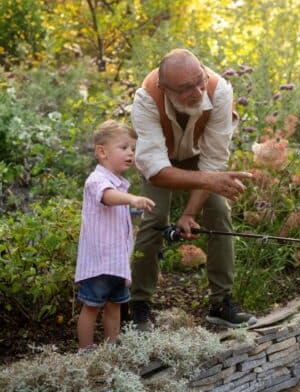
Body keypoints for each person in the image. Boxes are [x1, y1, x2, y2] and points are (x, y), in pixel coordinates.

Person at [129, 48, 256, 329]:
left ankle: (220, 303)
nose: (198, 91)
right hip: (161, 162)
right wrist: (208, 180)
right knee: (153, 216)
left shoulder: (219, 91)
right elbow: (156, 169)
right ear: (165, 89)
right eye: (185, 88)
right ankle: (138, 304)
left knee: (220, 212)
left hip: (199, 158)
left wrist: (189, 214)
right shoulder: (146, 98)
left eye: (200, 80)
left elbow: (211, 163)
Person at [75, 120, 156, 351]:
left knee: (114, 306)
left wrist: (132, 210)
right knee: (91, 307)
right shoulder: (97, 181)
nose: (130, 153)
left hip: (117, 263)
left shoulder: (120, 185)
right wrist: (132, 199)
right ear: (102, 151)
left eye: (132, 148)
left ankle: (111, 348)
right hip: (100, 263)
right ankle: (86, 351)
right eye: (123, 148)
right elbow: (107, 197)